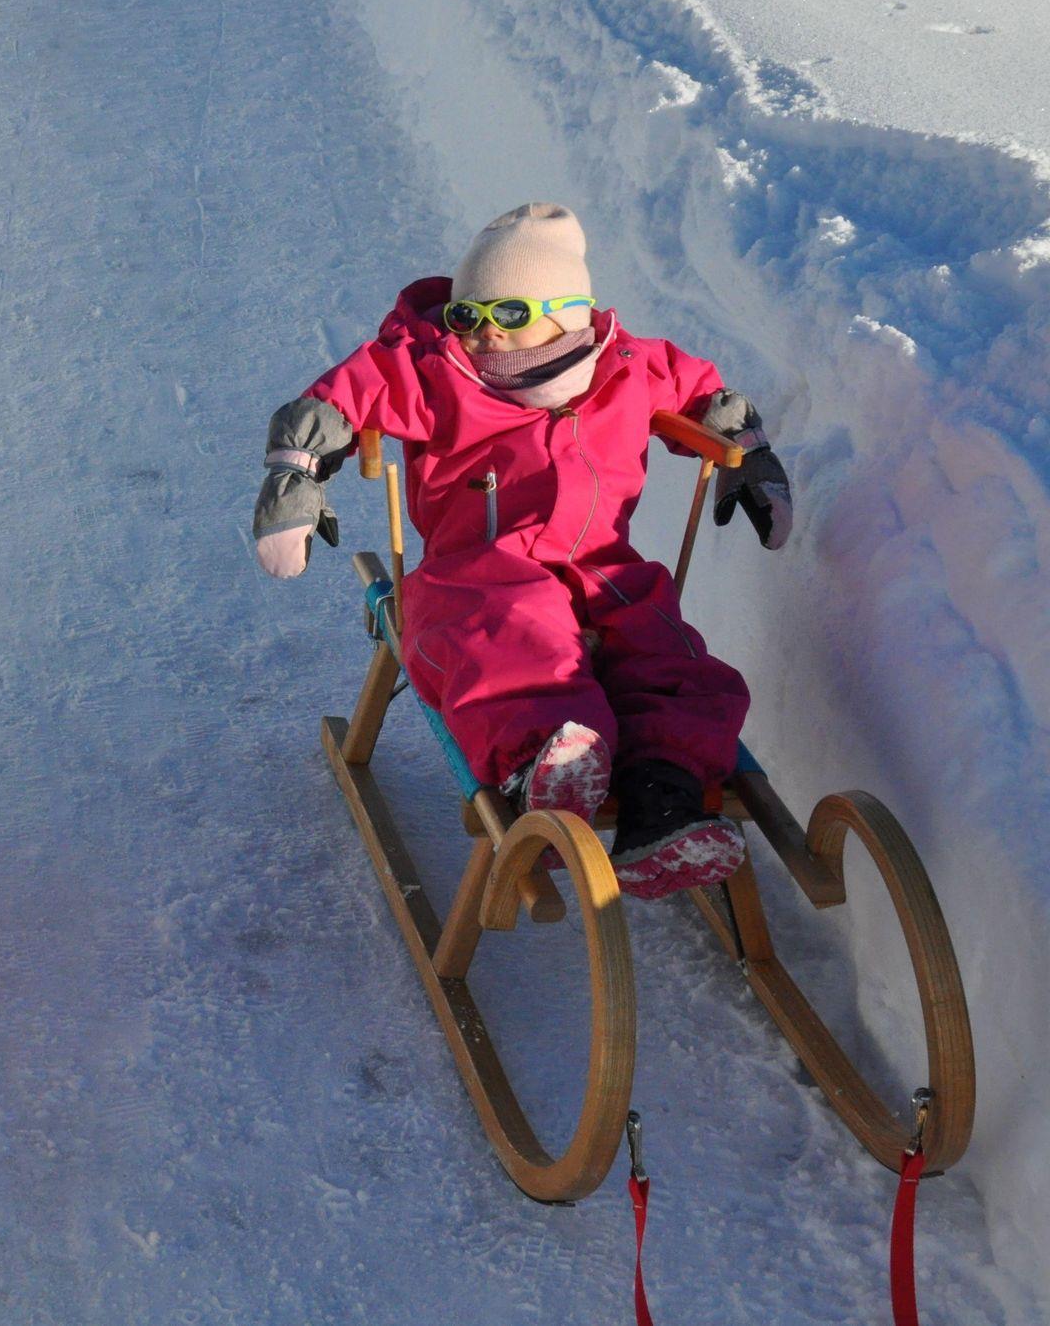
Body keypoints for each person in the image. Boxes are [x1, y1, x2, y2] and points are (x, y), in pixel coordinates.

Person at [253, 203, 791, 898]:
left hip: (603, 570)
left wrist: (750, 458)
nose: (483, 332)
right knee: (506, 642)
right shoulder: (436, 371)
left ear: (569, 315)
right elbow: (339, 401)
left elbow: (708, 398)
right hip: (479, 575)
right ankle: (548, 761)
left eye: (508, 314)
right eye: (466, 314)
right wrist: (295, 478)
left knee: (669, 657)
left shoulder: (628, 367)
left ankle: (666, 796)